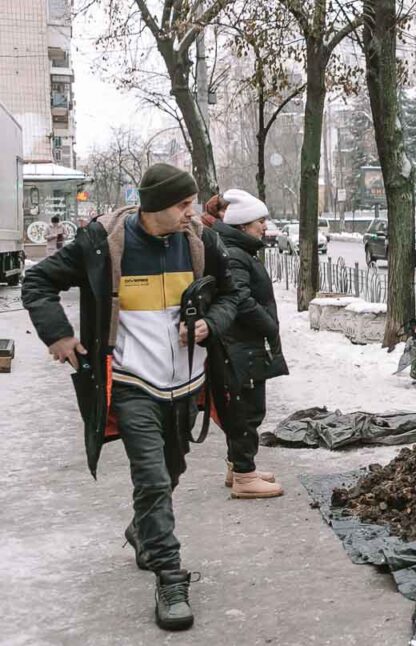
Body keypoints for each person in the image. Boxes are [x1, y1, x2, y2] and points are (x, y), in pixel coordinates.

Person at [21, 163, 238, 631]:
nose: (192, 212)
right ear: (154, 205)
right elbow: (37, 283)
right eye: (183, 205)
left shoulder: (201, 241)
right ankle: (168, 574)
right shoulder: (103, 243)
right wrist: (57, 335)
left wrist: (208, 323)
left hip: (186, 385)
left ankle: (142, 530)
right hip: (131, 383)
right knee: (153, 478)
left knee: (173, 469)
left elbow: (231, 295)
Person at [211, 189, 287, 499]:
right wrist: (268, 324)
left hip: (242, 344)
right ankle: (244, 476)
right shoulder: (236, 254)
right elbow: (239, 298)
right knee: (247, 410)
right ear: (243, 225)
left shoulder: (237, 250)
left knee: (244, 407)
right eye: (260, 221)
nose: (265, 227)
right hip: (241, 345)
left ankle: (239, 467)